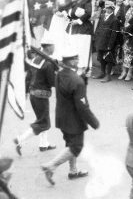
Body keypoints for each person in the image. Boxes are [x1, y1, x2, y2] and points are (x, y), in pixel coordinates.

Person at [42, 50, 100, 186]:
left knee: (70, 144)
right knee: (76, 147)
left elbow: (70, 88)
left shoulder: (60, 75)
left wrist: (83, 79)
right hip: (74, 120)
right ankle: (51, 165)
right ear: (72, 61)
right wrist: (94, 122)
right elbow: (82, 106)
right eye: (76, 59)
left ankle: (73, 171)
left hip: (62, 117)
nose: (78, 61)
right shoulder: (76, 80)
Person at [14, 36, 57, 155]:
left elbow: (28, 77)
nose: (54, 48)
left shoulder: (35, 59)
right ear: (48, 47)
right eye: (53, 46)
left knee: (42, 118)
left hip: (34, 94)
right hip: (42, 95)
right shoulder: (48, 63)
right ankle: (19, 139)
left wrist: (26, 92)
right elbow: (52, 82)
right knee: (44, 123)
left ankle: (44, 144)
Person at [93, 0, 120, 82]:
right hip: (100, 40)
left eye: (109, 8)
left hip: (108, 42)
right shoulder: (102, 16)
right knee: (101, 58)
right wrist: (96, 38)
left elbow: (114, 33)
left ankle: (108, 75)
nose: (107, 10)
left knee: (108, 58)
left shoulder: (114, 19)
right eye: (106, 8)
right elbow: (98, 28)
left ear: (112, 9)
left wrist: (110, 45)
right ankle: (102, 72)